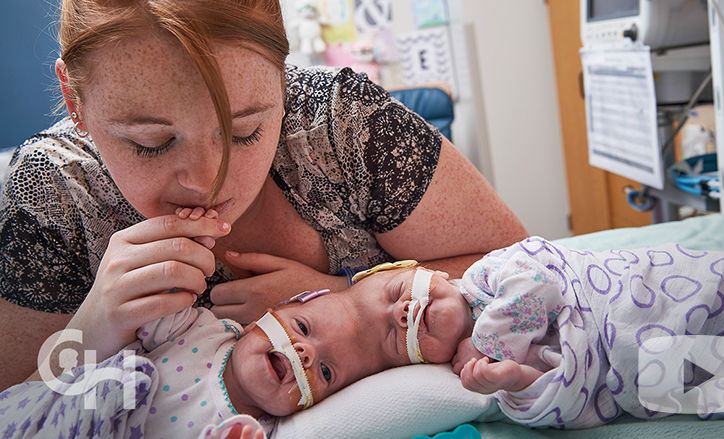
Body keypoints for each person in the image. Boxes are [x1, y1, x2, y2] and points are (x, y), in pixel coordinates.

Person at [0, 0, 527, 390]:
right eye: (151, 143)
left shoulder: (346, 127)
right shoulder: (53, 196)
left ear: (282, 82)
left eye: (244, 131)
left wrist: (346, 299)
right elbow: (13, 405)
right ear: (75, 100)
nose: (209, 180)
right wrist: (92, 329)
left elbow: (523, 272)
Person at [342, 238, 724, 428]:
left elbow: (539, 282)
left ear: (427, 272)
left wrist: (486, 341)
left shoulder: (487, 276)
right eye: (392, 336)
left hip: (655, 297)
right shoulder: (490, 365)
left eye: (398, 292)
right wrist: (515, 382)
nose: (402, 313)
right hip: (647, 370)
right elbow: (570, 396)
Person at [0, 258, 405, 438]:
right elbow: (159, 297)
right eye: (302, 327)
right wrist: (192, 241)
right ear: (270, 312)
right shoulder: (199, 330)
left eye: (327, 372)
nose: (306, 353)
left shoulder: (255, 430)